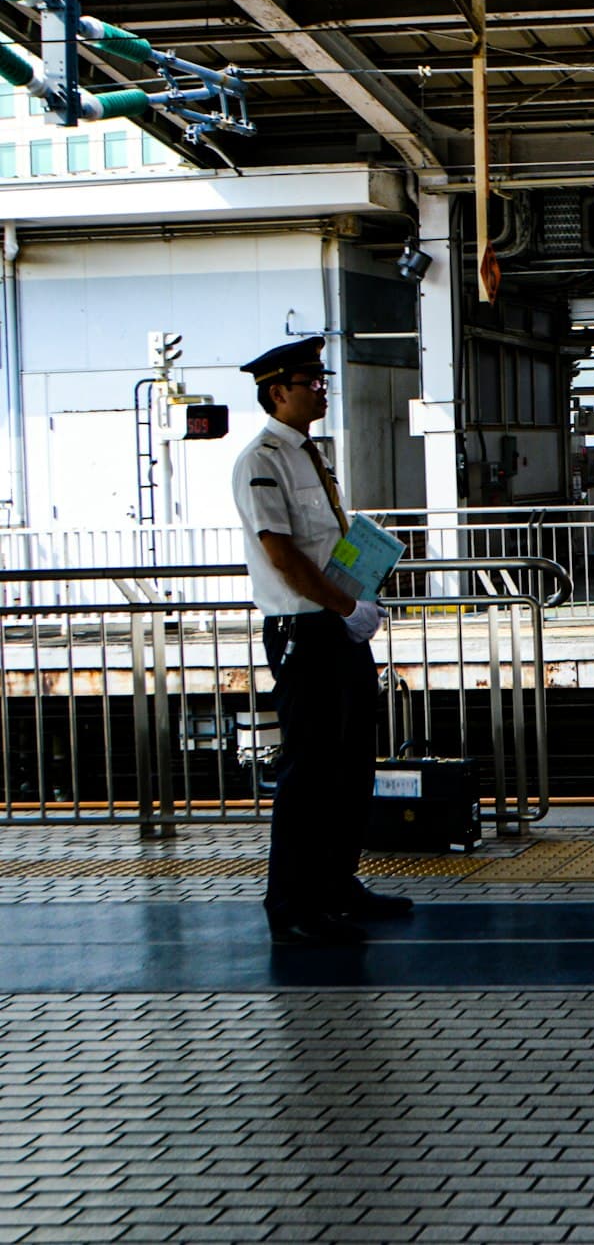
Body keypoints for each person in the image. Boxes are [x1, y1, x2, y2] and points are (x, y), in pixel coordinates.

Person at [232, 337, 412, 947]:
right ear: (277, 391)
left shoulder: (311, 454)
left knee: (352, 761)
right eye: (310, 382)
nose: (321, 389)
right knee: (308, 771)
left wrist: (358, 587)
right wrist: (347, 607)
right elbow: (281, 555)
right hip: (305, 629)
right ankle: (290, 903)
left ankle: (336, 883)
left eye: (320, 380)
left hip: (336, 622)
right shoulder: (263, 460)